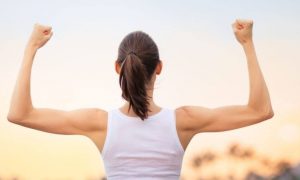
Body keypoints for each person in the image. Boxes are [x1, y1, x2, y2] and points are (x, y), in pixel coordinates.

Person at [7, 19, 274, 180]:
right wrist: (247, 43)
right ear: (159, 67)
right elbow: (260, 110)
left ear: (116, 67)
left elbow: (20, 114)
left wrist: (31, 47)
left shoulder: (100, 123)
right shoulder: (184, 121)